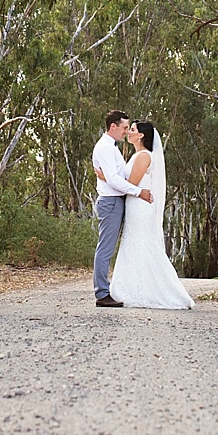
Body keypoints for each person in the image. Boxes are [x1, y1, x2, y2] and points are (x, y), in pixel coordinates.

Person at [103, 120, 193, 310]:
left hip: (140, 207)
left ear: (141, 135)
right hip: (135, 204)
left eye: (132, 130)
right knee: (134, 244)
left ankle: (159, 291)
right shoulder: (137, 155)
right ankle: (132, 288)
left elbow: (132, 183)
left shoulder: (144, 156)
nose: (129, 132)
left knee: (142, 243)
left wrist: (107, 177)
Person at [91, 109, 148, 308]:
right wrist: (138, 192)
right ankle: (102, 294)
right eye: (124, 127)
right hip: (110, 202)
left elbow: (117, 176)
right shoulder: (105, 147)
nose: (126, 131)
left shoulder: (112, 147)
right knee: (105, 249)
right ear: (113, 126)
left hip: (117, 201)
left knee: (109, 248)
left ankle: (107, 291)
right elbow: (115, 179)